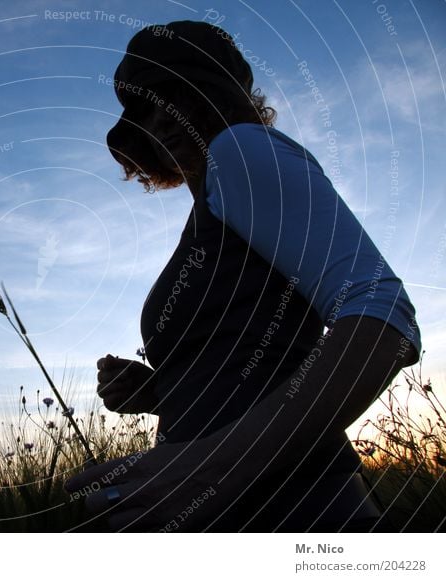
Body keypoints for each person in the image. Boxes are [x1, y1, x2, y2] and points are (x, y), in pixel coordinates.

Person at [64, 20, 422, 532]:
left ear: (218, 97)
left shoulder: (241, 150)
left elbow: (383, 316)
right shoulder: (212, 206)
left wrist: (211, 469)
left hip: (298, 511)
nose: (164, 118)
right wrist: (161, 390)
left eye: (181, 96)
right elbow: (254, 365)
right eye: (147, 106)